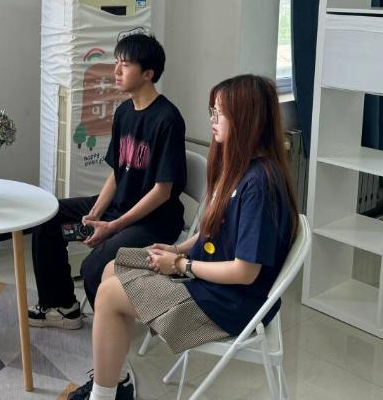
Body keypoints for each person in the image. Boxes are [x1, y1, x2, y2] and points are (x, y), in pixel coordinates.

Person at [69, 74, 299, 400]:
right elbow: (214, 230)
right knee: (112, 268)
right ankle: (116, 381)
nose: (212, 120)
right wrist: (178, 249)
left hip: (227, 305)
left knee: (108, 294)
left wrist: (181, 265)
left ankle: (103, 395)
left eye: (219, 113)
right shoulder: (241, 169)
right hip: (207, 280)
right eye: (212, 112)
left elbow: (245, 272)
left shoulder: (259, 185)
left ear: (246, 118)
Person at [30, 33, 187, 329]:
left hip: (155, 221)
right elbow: (117, 172)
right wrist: (95, 214)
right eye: (116, 63)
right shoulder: (124, 112)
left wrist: (113, 226)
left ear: (148, 73)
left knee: (93, 268)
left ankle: (112, 338)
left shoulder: (168, 119)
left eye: (124, 65)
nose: (116, 71)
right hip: (119, 207)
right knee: (48, 218)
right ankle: (62, 306)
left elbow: (162, 191)